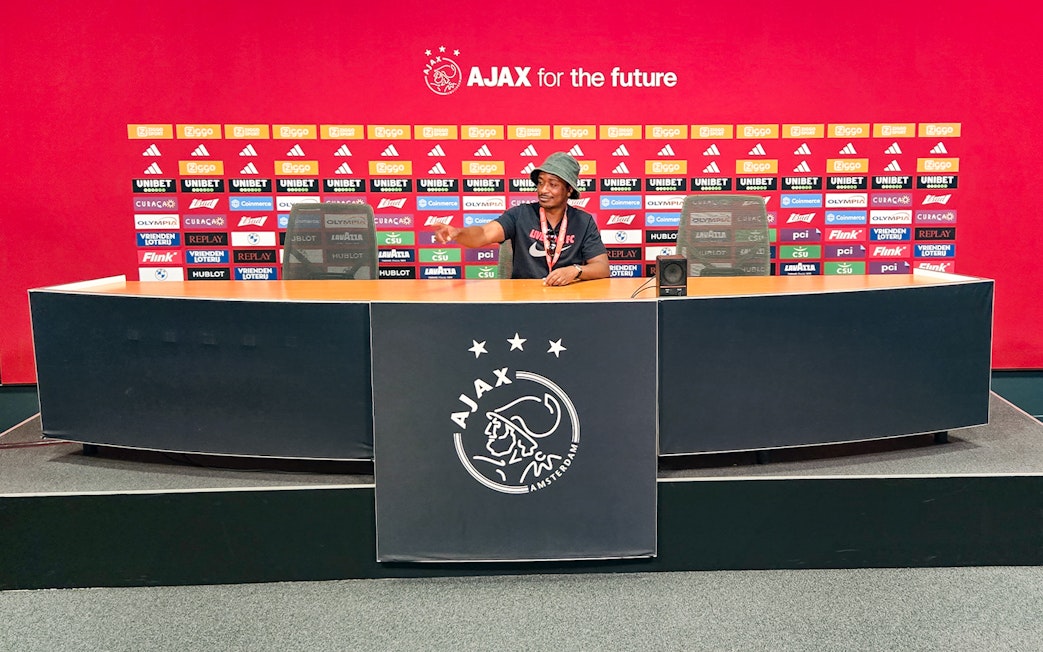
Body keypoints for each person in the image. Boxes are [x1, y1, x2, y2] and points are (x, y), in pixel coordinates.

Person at [433, 152, 610, 285]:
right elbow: (483, 234)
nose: (543, 190)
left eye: (553, 184)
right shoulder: (519, 215)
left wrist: (575, 271)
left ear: (569, 189)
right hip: (523, 300)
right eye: (540, 182)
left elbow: (602, 267)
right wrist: (458, 233)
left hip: (568, 301)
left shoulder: (583, 221)